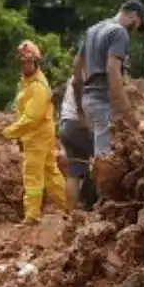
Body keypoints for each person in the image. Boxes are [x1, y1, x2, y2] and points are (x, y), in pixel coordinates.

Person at [71, 0, 144, 161]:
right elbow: (113, 71)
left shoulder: (92, 30)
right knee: (106, 162)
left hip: (89, 100)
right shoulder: (119, 32)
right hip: (103, 102)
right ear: (133, 16)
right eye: (138, 25)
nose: (134, 31)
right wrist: (127, 111)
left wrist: (80, 107)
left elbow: (77, 68)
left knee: (103, 159)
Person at [3, 40, 67, 224]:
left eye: (27, 62)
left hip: (37, 136)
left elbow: (31, 119)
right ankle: (68, 207)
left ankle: (32, 216)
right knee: (49, 173)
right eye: (21, 62)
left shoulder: (37, 86)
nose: (24, 65)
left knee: (32, 176)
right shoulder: (27, 83)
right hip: (39, 135)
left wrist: (9, 132)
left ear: (36, 63)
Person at [55, 76, 96, 210]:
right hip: (78, 126)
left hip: (65, 125)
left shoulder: (74, 76)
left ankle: (71, 213)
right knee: (105, 160)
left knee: (75, 171)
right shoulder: (89, 73)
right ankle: (89, 204)